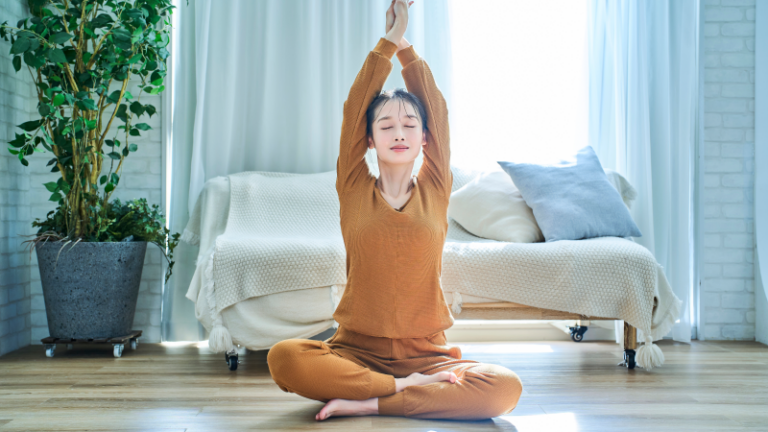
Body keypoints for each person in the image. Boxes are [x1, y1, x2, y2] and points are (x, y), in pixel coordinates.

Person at [267, 0, 523, 421]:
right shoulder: (353, 187)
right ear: (369, 140)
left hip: (428, 357)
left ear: (425, 138)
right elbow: (354, 110)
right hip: (353, 352)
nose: (399, 133)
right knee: (285, 357)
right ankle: (400, 392)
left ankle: (371, 401)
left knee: (504, 388)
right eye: (386, 125)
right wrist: (386, 44)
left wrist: (406, 48)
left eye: (410, 126)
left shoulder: (436, 186)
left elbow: (436, 112)